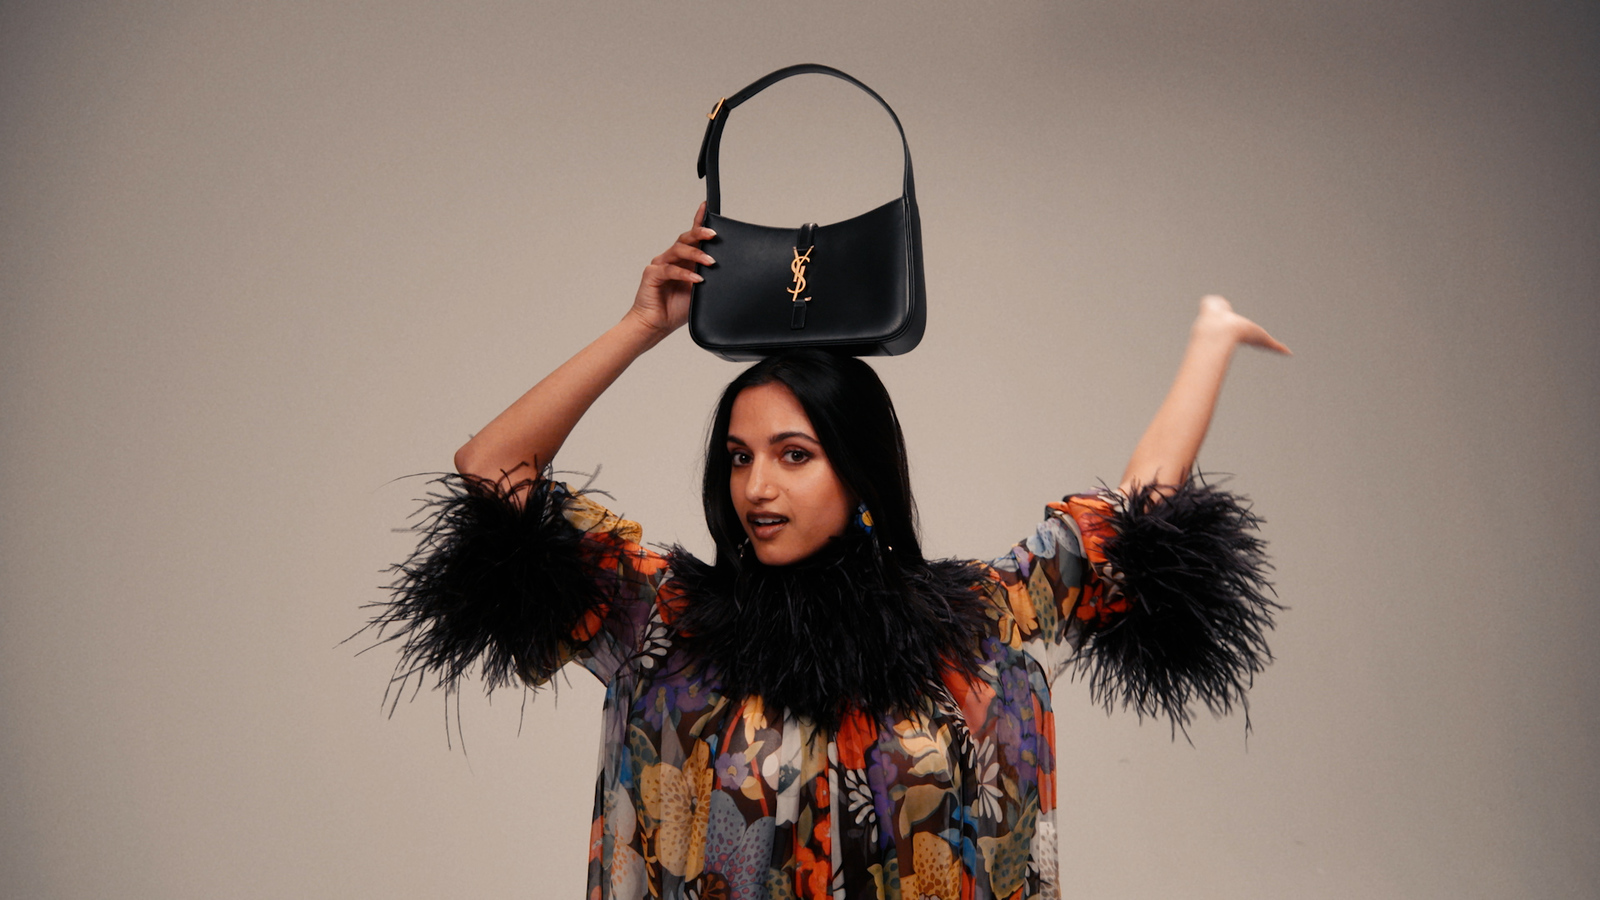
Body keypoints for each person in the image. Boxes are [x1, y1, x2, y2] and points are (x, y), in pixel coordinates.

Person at [373, 203, 1289, 900]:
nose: (756, 487)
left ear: (859, 475)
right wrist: (643, 324)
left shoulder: (977, 619)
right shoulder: (663, 620)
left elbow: (1136, 517)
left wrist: (1210, 341)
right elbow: (492, 468)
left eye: (793, 456)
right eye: (739, 458)